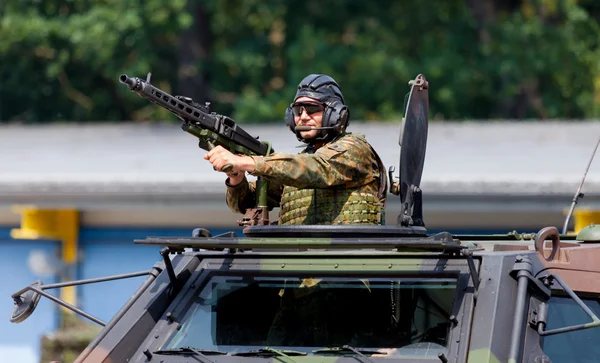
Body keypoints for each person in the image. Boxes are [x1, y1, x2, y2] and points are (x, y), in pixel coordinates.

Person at [204, 74, 387, 225]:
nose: (303, 117)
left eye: (312, 109)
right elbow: (245, 203)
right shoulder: (295, 170)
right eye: (298, 111)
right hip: (298, 260)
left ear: (335, 114)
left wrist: (247, 162)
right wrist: (236, 177)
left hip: (349, 258)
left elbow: (316, 168)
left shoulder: (354, 148)